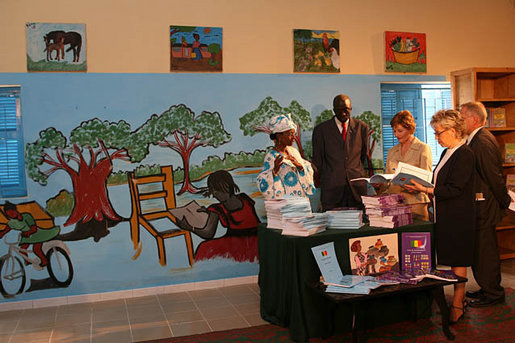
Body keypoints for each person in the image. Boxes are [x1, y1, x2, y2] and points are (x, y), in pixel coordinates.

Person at [404, 110, 475, 324]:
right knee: (451, 258)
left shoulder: (465, 154)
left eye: (439, 133)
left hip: (458, 216)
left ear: (453, 131)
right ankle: (454, 301)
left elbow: (455, 189)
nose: (436, 137)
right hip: (444, 214)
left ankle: (457, 303)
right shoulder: (447, 152)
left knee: (458, 259)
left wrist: (426, 190)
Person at [460, 102, 510, 307]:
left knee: (486, 252)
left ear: (474, 119)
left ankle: (494, 293)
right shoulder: (475, 140)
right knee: (479, 251)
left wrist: (504, 201)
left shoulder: (482, 141)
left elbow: (494, 177)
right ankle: (486, 288)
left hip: (485, 206)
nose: (459, 120)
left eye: (462, 117)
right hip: (478, 206)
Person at [176, 170, 260, 262]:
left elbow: (208, 234)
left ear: (226, 187)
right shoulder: (245, 198)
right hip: (257, 240)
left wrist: (188, 227)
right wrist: (209, 212)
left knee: (204, 248)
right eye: (212, 191)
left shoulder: (217, 209)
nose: (214, 194)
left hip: (236, 243)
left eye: (216, 190)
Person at [312, 94, 370, 211]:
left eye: (346, 110)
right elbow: (318, 160)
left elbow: (363, 156)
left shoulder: (361, 128)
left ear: (351, 109)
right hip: (332, 190)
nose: (343, 113)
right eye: (339, 110)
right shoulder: (321, 130)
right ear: (333, 110)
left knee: (359, 226)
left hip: (356, 189)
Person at [384, 110, 432, 220]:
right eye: (394, 131)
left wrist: (415, 187)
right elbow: (387, 180)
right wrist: (378, 185)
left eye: (400, 131)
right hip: (394, 205)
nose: (396, 135)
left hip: (416, 205)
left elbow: (427, 181)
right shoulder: (392, 151)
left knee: (416, 236)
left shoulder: (423, 149)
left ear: (410, 129)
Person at [256, 113, 315, 199]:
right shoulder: (271, 157)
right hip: (284, 206)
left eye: (294, 134)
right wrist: (274, 171)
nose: (294, 137)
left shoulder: (294, 152)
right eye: (290, 134)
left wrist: (300, 167)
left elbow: (307, 168)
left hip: (301, 202)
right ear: (279, 136)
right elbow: (263, 182)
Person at [0, 201, 60, 267]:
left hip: (36, 233)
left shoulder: (26, 216)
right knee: (22, 251)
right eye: (8, 215)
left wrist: (28, 233)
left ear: (15, 210)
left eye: (12, 213)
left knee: (36, 249)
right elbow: (5, 231)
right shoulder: (11, 222)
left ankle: (44, 261)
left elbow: (34, 228)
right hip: (26, 236)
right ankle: (28, 263)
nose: (11, 215)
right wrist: (1, 234)